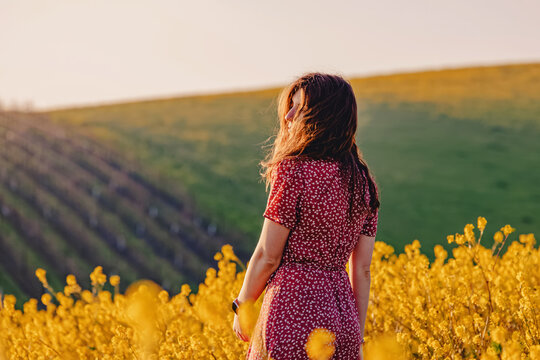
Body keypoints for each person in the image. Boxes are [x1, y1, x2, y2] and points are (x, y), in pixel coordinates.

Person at [232, 72, 380, 360]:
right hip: (344, 319)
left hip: (291, 311)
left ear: (321, 116)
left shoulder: (294, 170)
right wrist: (355, 339)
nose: (287, 117)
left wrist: (243, 304)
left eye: (297, 108)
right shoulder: (363, 183)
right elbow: (362, 270)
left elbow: (268, 255)